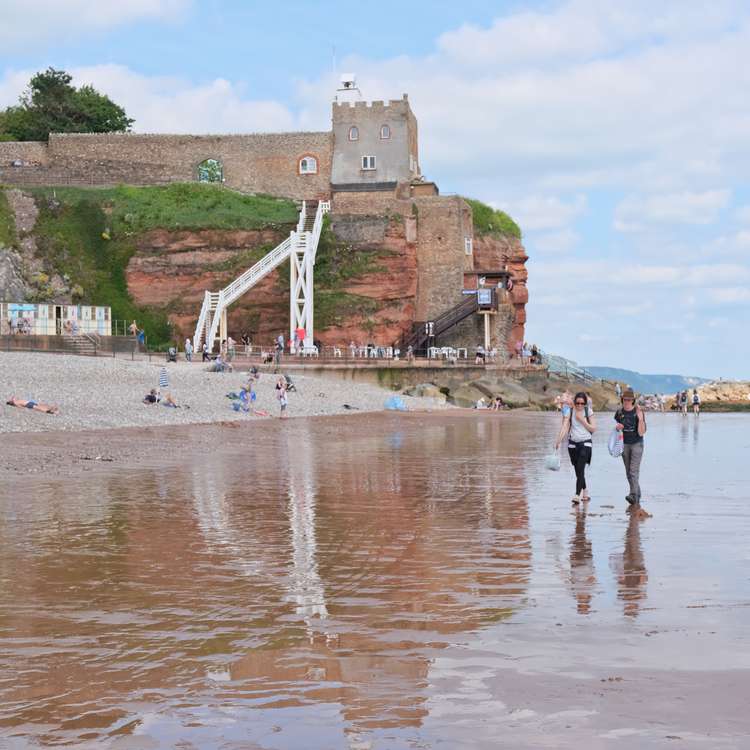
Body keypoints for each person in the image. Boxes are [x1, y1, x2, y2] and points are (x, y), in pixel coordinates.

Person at [555, 391, 596, 505]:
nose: (579, 405)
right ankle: (585, 491)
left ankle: (577, 495)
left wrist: (582, 420)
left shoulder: (589, 411)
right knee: (578, 471)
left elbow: (593, 429)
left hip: (586, 443)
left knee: (581, 468)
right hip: (572, 444)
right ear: (574, 402)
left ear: (585, 404)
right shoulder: (570, 411)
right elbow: (564, 426)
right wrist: (558, 440)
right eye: (577, 403)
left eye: (582, 403)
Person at [614, 388, 647, 509]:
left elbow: (642, 432)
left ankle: (633, 495)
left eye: (629, 400)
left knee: (633, 471)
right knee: (628, 472)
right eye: (625, 399)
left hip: (637, 444)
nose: (627, 401)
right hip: (624, 444)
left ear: (633, 400)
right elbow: (617, 429)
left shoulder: (638, 411)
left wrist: (641, 419)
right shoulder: (619, 412)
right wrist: (618, 427)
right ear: (622, 400)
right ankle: (637, 494)